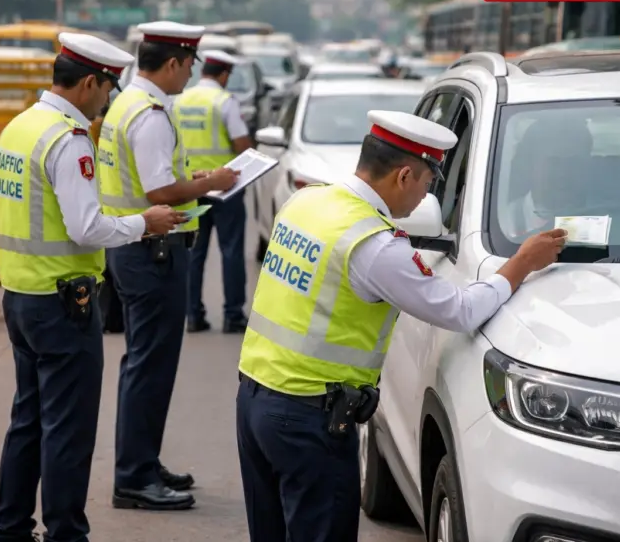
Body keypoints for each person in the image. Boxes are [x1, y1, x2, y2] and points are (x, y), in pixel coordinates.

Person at [235, 110, 566, 542]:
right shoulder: (374, 245)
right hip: (307, 421)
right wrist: (520, 263)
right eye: (429, 184)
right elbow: (459, 310)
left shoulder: (308, 202)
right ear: (405, 175)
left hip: (254, 400)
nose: (426, 197)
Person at [0, 32, 185, 542]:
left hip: (21, 296)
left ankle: (9, 528)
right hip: (62, 303)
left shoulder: (21, 126)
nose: (109, 101)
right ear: (91, 83)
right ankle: (65, 533)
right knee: (68, 432)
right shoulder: (68, 138)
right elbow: (87, 227)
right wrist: (145, 223)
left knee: (28, 421)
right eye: (108, 90)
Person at [98, 21, 239, 511]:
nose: (188, 76)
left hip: (135, 249)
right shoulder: (152, 113)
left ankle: (141, 461)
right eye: (187, 66)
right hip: (150, 252)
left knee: (144, 363)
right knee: (150, 367)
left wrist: (192, 178)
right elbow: (159, 192)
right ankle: (135, 477)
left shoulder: (128, 103)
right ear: (175, 62)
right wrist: (212, 182)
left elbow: (151, 180)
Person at [176, 49, 254, 334]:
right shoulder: (224, 102)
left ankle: (193, 315)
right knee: (231, 251)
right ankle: (233, 315)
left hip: (189, 185)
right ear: (223, 75)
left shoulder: (180, 100)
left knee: (194, 252)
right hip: (225, 187)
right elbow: (241, 144)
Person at [501, 118, 593, 238]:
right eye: (553, 162)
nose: (563, 173)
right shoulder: (503, 226)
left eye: (573, 162)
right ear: (530, 166)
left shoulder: (610, 220)